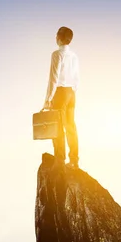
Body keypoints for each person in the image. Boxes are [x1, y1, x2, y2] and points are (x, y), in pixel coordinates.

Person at [43, 26, 80, 168]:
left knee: (57, 126)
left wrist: (48, 99)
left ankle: (59, 160)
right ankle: (74, 160)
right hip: (71, 93)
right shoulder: (74, 56)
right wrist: (72, 91)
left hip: (59, 92)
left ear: (58, 37)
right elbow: (77, 78)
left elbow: (53, 78)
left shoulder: (57, 54)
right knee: (71, 126)